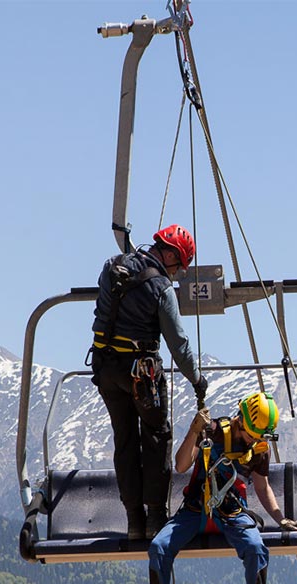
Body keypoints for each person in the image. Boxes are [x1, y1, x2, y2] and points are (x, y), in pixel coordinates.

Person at [132, 391, 297, 584]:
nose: (255, 441)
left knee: (256, 549)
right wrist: (194, 432)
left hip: (232, 513)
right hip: (195, 509)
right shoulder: (213, 432)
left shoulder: (259, 449)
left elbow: (262, 488)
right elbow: (181, 465)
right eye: (252, 434)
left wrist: (280, 518)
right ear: (241, 420)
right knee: (159, 547)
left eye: (260, 436)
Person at [89, 224, 208, 542]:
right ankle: (155, 517)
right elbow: (178, 344)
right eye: (180, 265)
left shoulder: (112, 267)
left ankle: (133, 522)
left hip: (106, 371)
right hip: (143, 376)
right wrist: (197, 379)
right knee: (156, 439)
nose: (178, 273)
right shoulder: (162, 288)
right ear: (169, 254)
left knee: (124, 442)